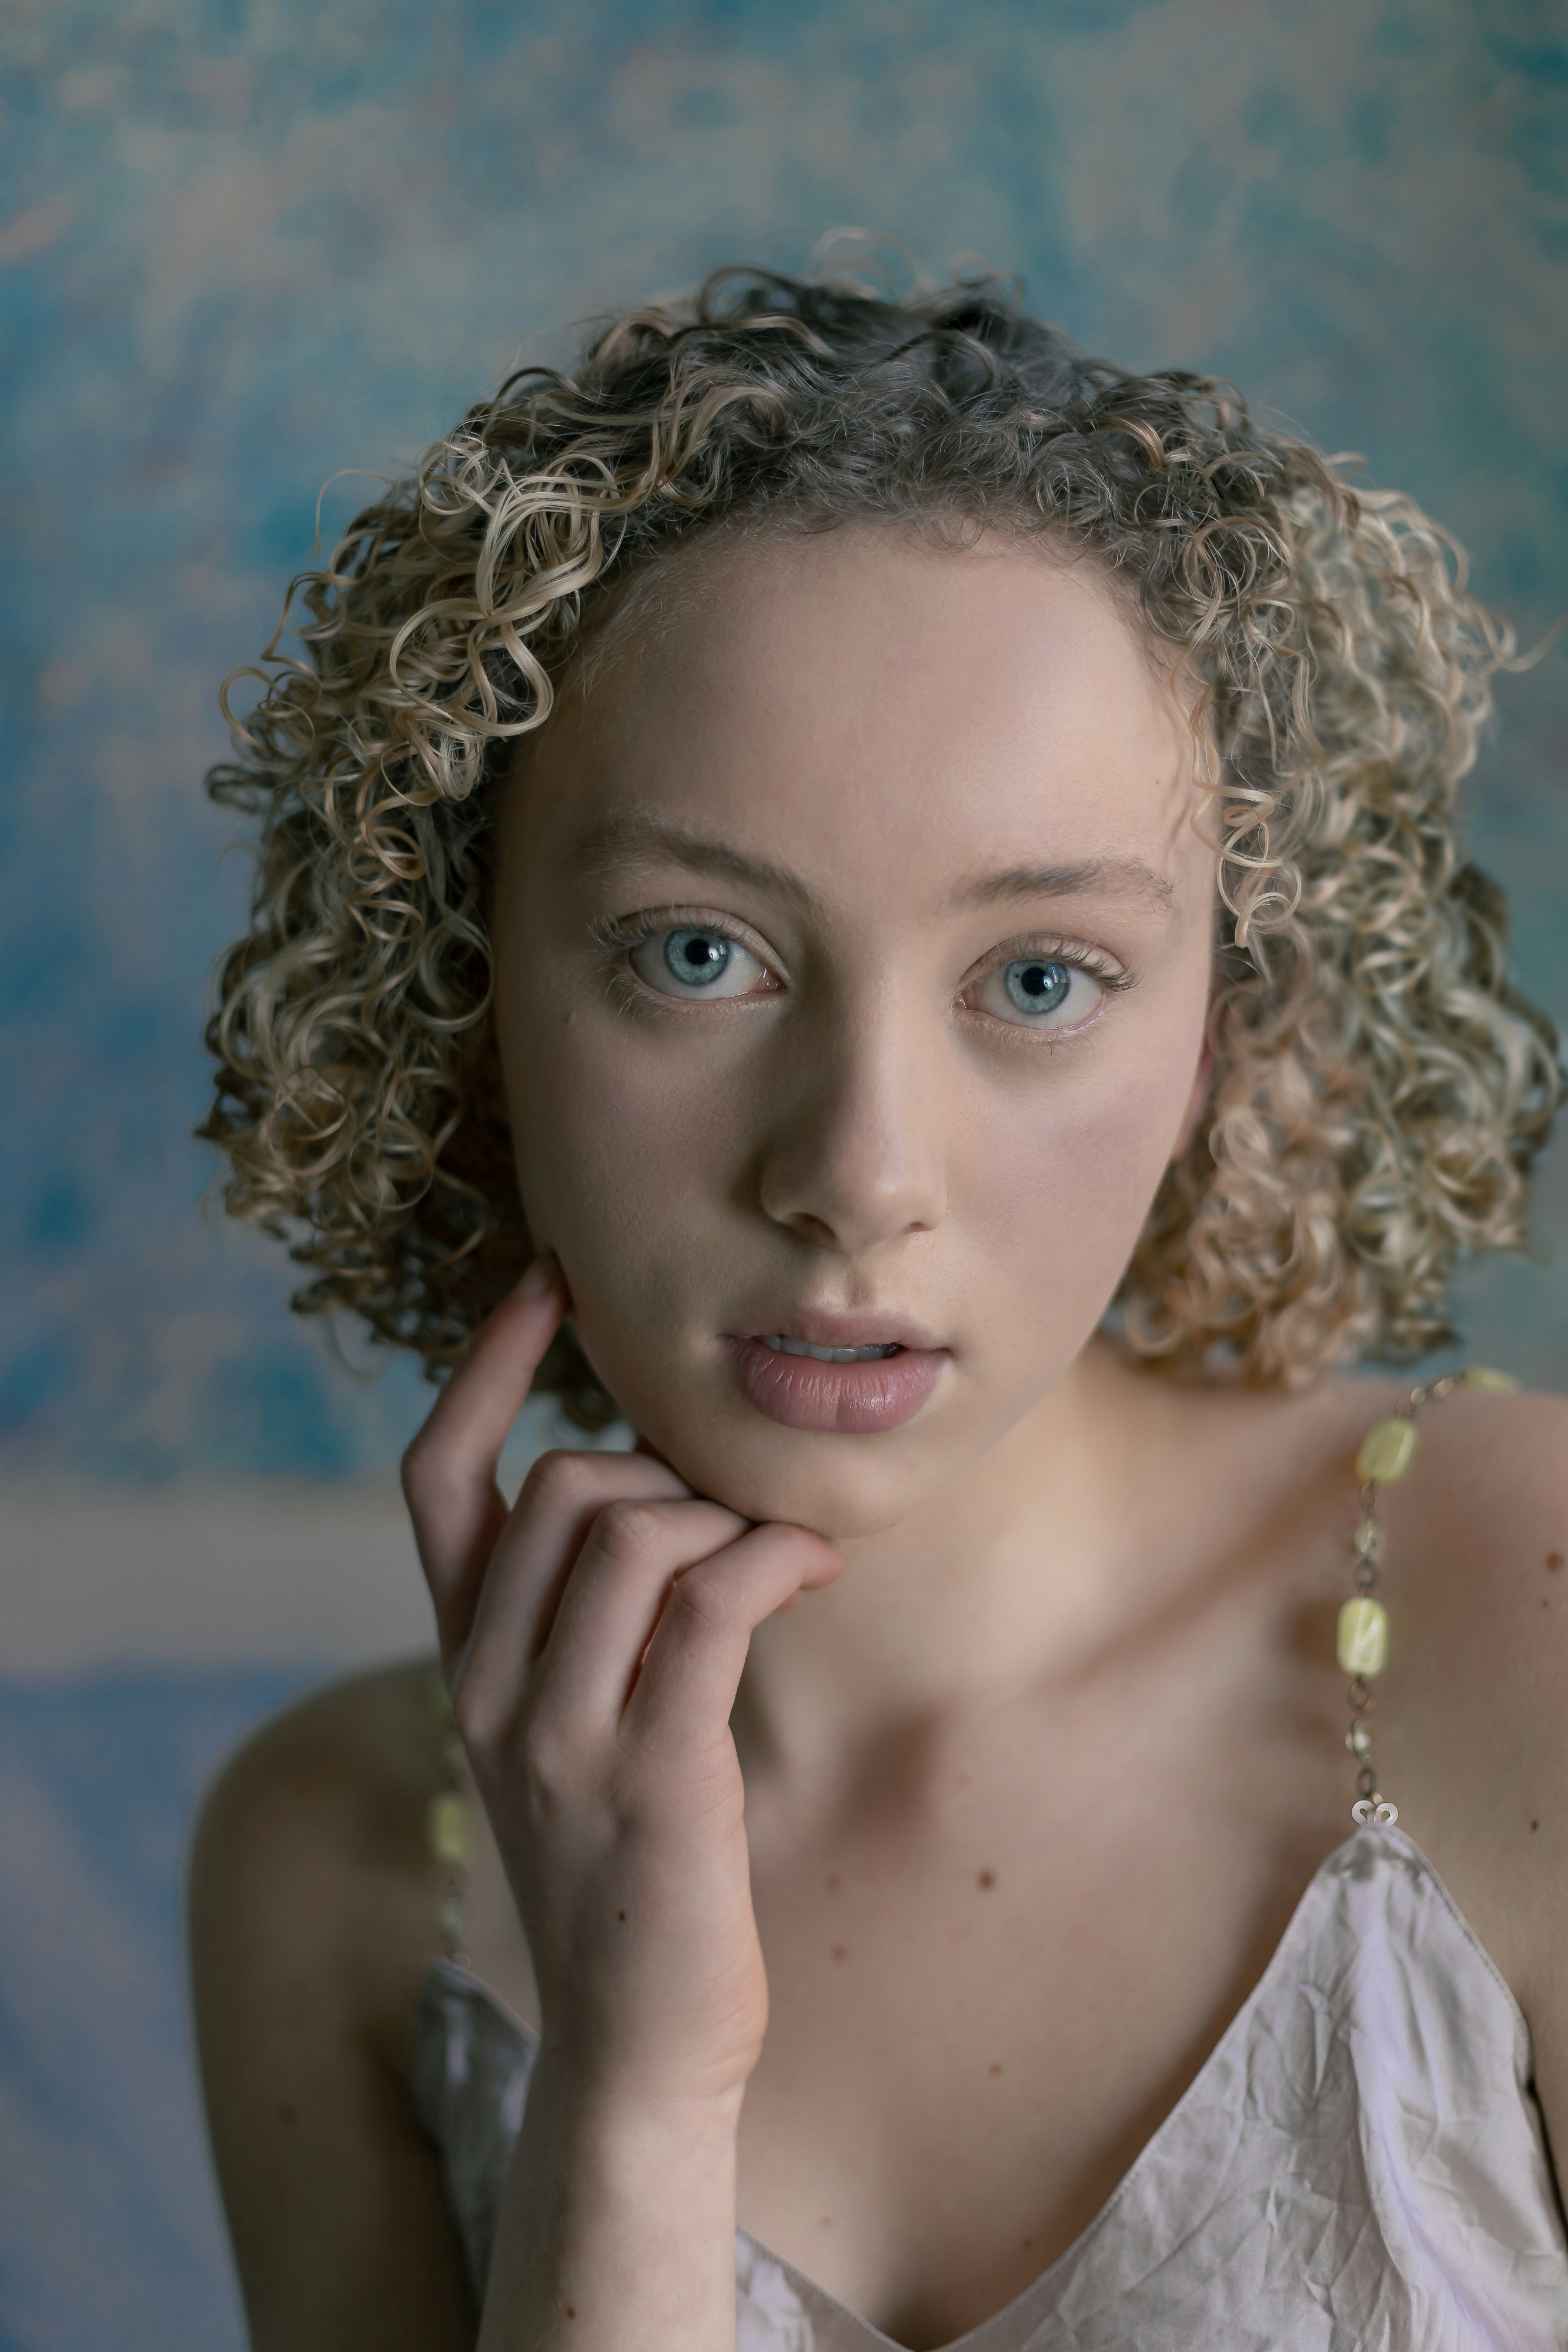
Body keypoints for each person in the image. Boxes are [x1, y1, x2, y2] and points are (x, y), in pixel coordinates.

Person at [187, 267, 1568, 2351]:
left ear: (1219, 1024)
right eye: (696, 955)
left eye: (1038, 979)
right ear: (469, 993)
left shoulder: (1519, 1618)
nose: (856, 1172)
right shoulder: (333, 1869)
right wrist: (633, 2109)